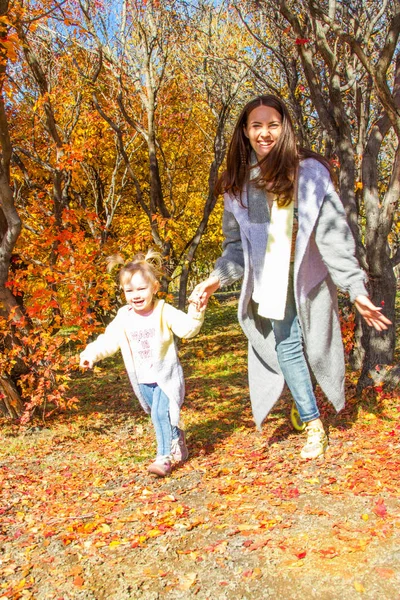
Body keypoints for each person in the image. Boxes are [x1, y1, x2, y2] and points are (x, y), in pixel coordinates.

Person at [190, 94, 391, 460]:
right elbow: (236, 250)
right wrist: (214, 279)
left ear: (285, 128)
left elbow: (334, 235)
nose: (264, 133)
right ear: (245, 132)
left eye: (273, 124)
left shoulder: (311, 174)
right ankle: (314, 423)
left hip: (308, 278)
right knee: (287, 345)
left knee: (316, 347)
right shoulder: (237, 185)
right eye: (256, 126)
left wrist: (355, 288)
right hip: (270, 284)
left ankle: (303, 397)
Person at [80, 250, 205, 477]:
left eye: (141, 289)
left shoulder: (163, 311)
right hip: (142, 379)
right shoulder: (124, 316)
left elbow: (188, 329)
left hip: (165, 376)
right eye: (129, 291)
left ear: (155, 288)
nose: (135, 295)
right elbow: (109, 340)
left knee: (159, 414)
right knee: (158, 415)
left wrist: (196, 311)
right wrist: (91, 354)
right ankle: (177, 437)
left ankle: (163, 458)